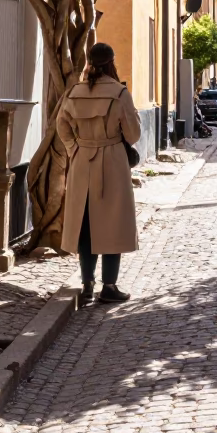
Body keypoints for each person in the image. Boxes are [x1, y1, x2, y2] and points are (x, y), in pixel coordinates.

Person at [57, 42, 142, 304]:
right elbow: (134, 134)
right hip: (113, 160)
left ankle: (86, 284)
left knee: (85, 224)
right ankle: (109, 285)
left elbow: (62, 125)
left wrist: (75, 148)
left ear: (89, 62)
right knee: (112, 223)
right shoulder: (119, 92)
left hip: (82, 159)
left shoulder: (74, 92)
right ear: (111, 62)